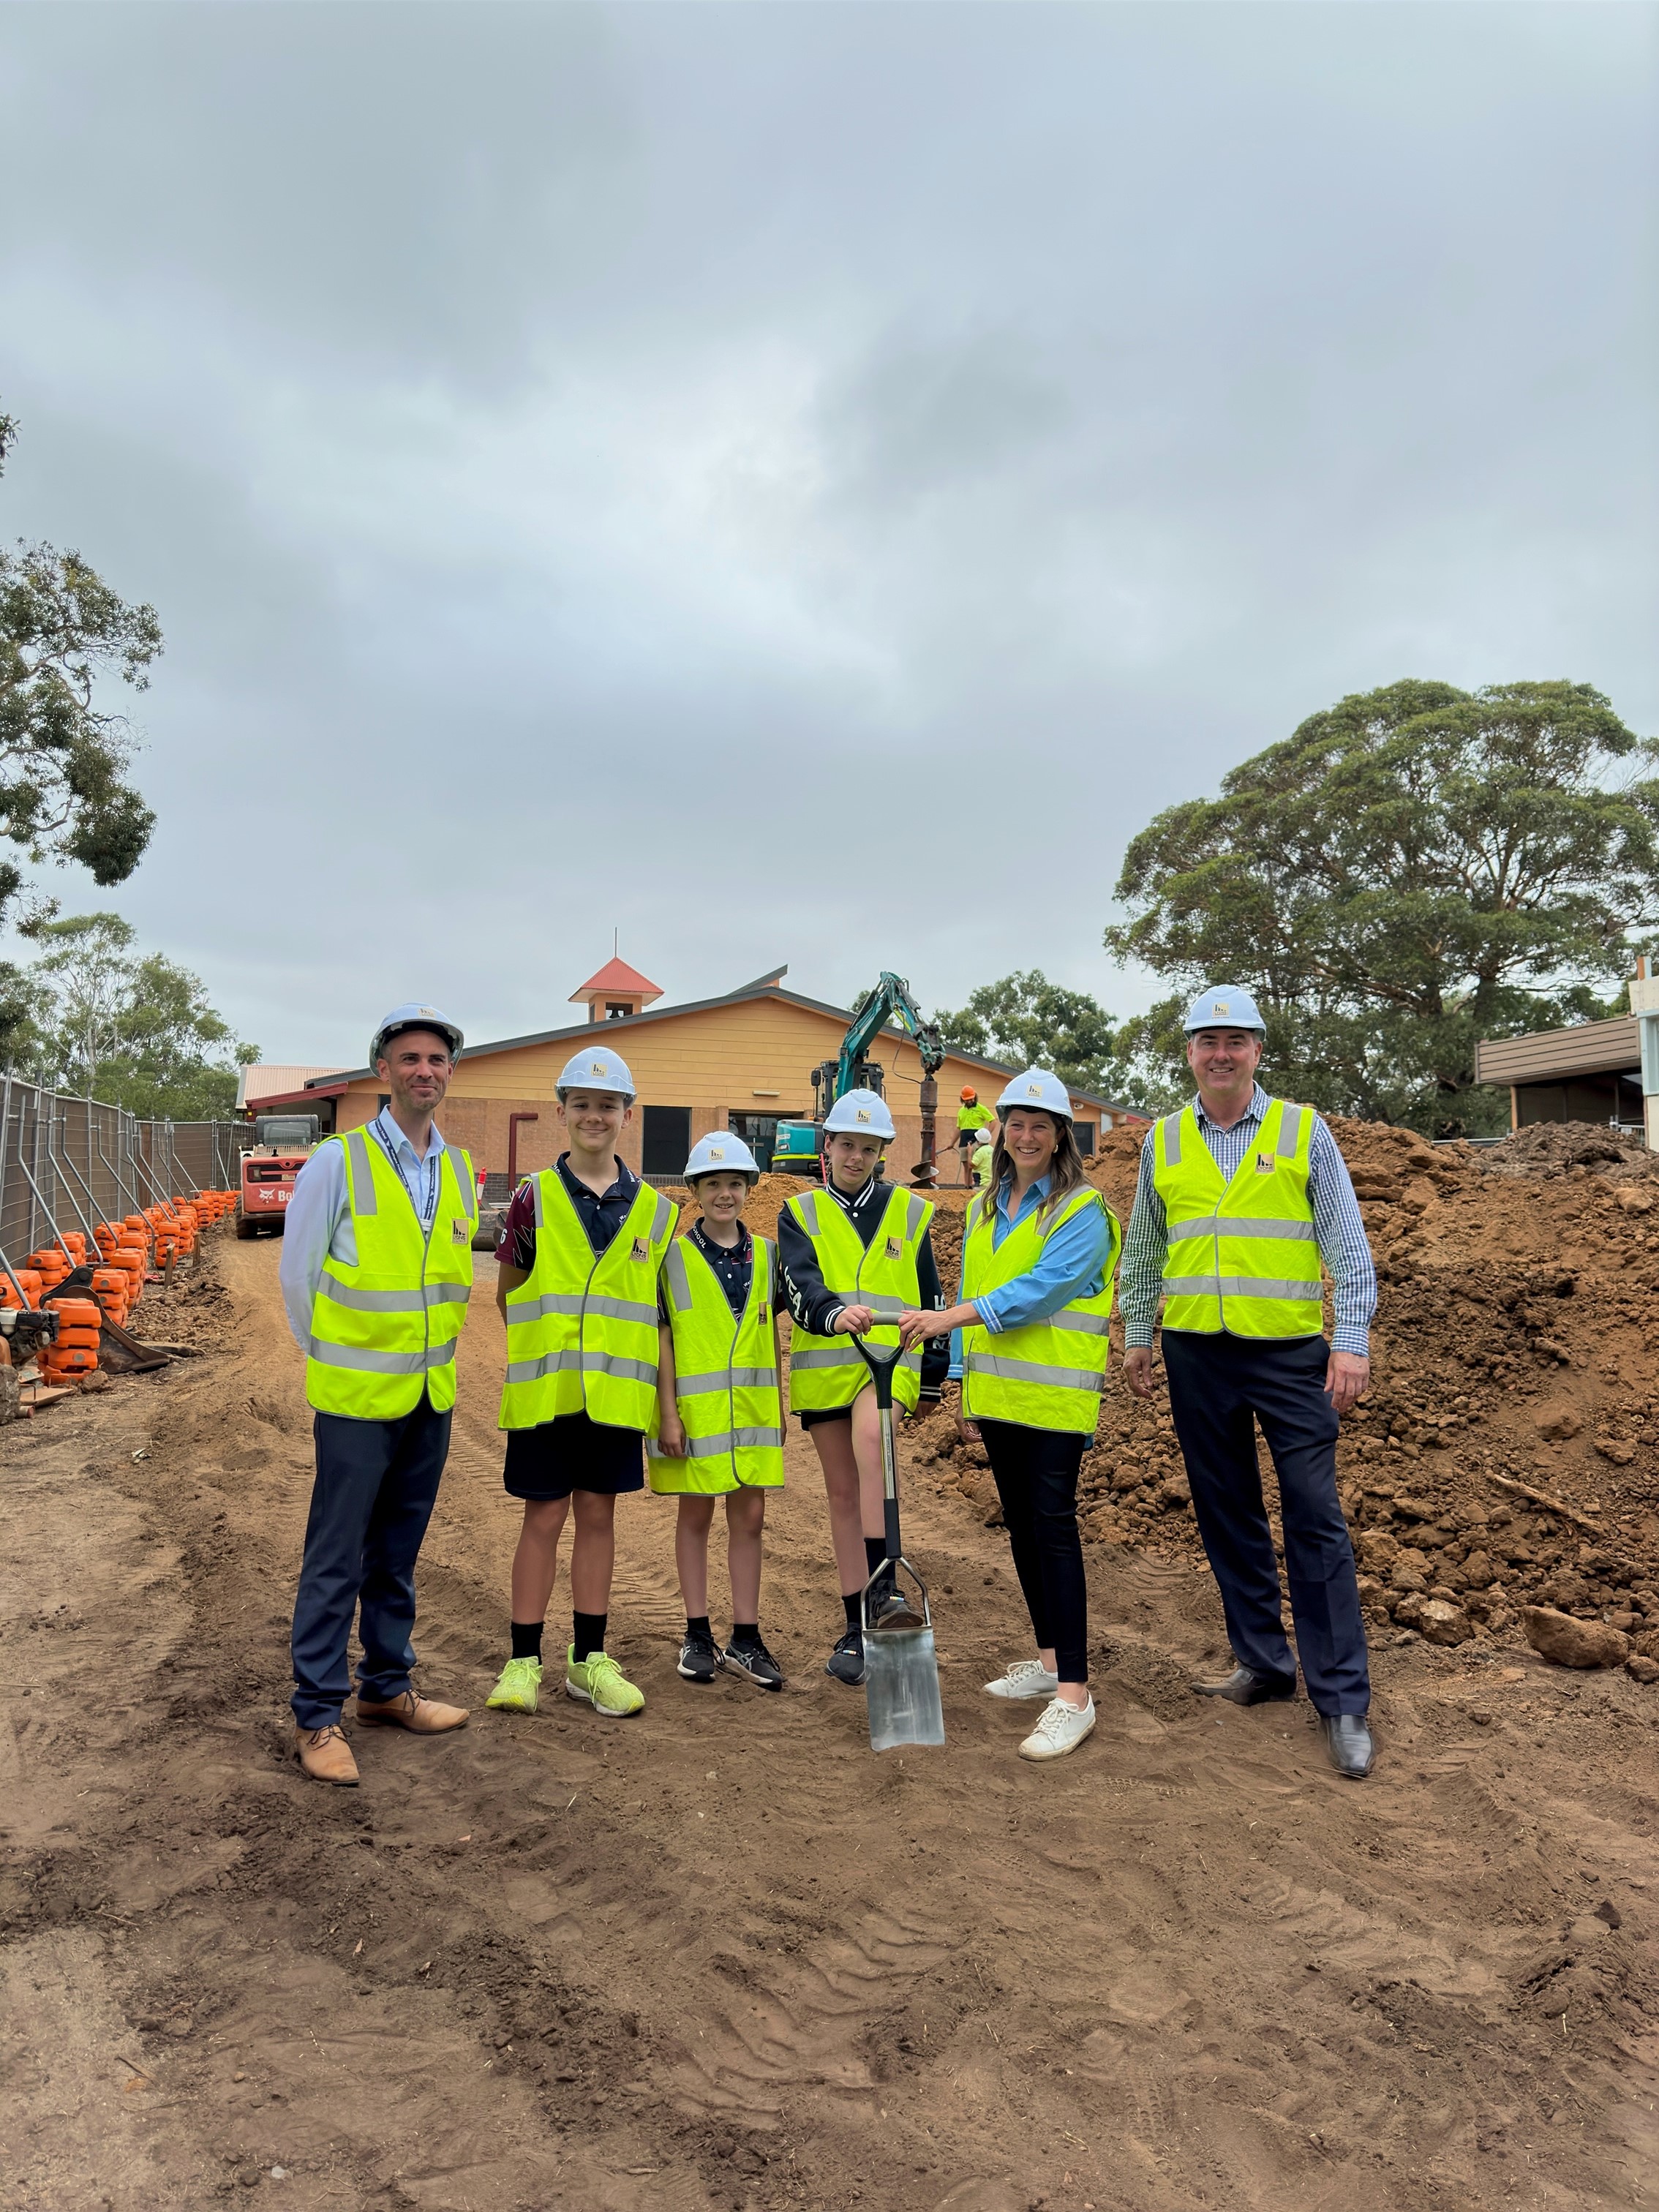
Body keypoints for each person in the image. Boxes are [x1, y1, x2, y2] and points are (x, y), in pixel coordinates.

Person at [1120, 988, 1379, 1780]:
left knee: (1313, 1517)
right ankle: (1263, 1664)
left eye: (1236, 1040)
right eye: (1208, 1041)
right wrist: (1138, 1333)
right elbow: (1144, 1245)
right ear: (1190, 1052)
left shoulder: (1303, 1130)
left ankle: (1341, 1700)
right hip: (1198, 1353)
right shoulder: (1162, 1141)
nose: (1221, 1053)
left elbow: (1347, 1243)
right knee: (1227, 1512)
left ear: (1257, 1050)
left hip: (1291, 1355)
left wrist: (1352, 1340)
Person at [279, 1004, 478, 1787]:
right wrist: (327, 1355)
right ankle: (318, 1713)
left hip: (430, 1397)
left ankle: (386, 1690)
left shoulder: (457, 1170)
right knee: (335, 1558)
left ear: (448, 1072)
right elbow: (298, 1276)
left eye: (436, 1059)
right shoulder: (340, 1160)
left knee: (396, 1555)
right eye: (409, 1059)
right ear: (384, 1071)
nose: (424, 1070)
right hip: (357, 1400)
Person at [901, 1069, 1121, 1763]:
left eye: (1040, 1125)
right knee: (1023, 1528)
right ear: (999, 1131)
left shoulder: (1083, 1211)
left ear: (1061, 1136)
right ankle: (1052, 1663)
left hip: (1054, 1401)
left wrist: (948, 1322)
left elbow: (1038, 1290)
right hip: (998, 1396)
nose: (1026, 1137)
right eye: (1016, 1124)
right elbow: (976, 1282)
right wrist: (963, 1373)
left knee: (1054, 1530)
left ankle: (1075, 1697)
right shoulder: (986, 1205)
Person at [484, 1047, 677, 1722]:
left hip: (616, 1399)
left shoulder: (656, 1211)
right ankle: (523, 1662)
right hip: (549, 1396)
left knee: (599, 1517)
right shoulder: (533, 1198)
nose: (595, 1116)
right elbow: (510, 1297)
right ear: (562, 1110)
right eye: (583, 1104)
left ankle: (589, 1660)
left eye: (608, 1105)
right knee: (543, 1517)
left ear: (628, 1114)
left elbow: (654, 1313)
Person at [777, 1089, 948, 1685]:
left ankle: (888, 1596)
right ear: (828, 1146)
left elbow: (932, 1297)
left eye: (868, 1147)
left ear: (882, 1152)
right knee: (843, 1496)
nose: (856, 1156)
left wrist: (930, 1378)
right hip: (828, 1361)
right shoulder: (800, 1213)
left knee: (872, 1441)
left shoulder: (909, 1211)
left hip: (888, 1360)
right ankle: (857, 1625)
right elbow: (798, 1283)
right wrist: (829, 1312)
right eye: (847, 1144)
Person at [649, 1132, 786, 1690]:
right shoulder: (672, 1259)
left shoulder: (770, 1256)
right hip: (695, 1416)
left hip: (753, 1416)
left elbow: (769, 1334)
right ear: (695, 1192)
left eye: (734, 1183)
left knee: (750, 1520)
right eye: (713, 1184)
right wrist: (669, 1415)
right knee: (696, 1517)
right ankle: (698, 1632)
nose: (724, 1194)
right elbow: (664, 1340)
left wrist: (777, 1408)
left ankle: (746, 1639)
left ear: (750, 1189)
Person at [955, 1086, 994, 1186]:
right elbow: (958, 1128)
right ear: (963, 1099)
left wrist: (986, 1135)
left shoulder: (981, 1109)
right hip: (964, 1140)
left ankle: (977, 1185)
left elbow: (993, 1121)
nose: (970, 1101)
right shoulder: (961, 1111)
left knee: (975, 1164)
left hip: (976, 1140)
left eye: (972, 1098)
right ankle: (967, 1187)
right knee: (966, 1166)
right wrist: (952, 1143)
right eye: (967, 1099)